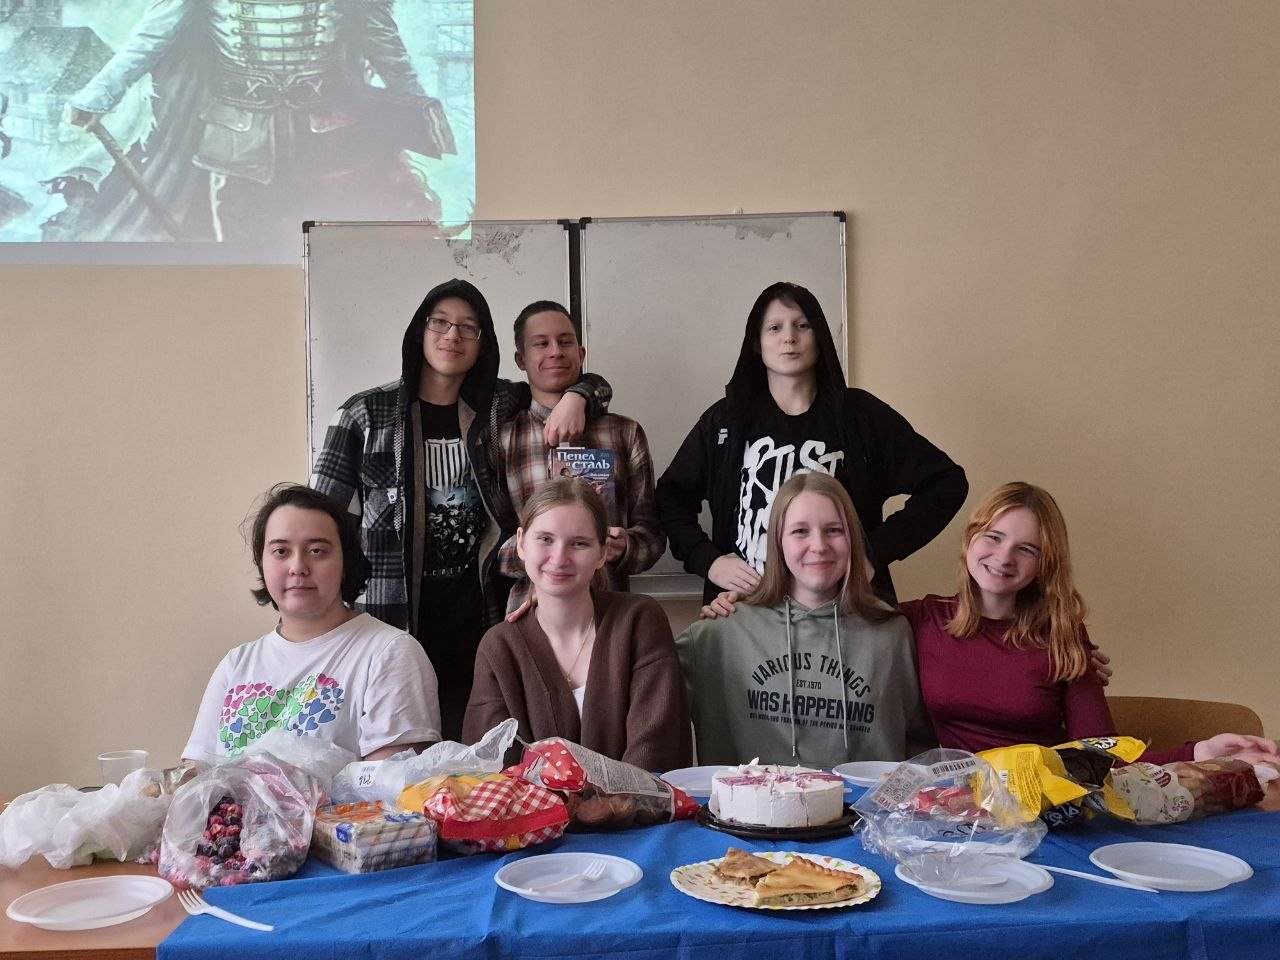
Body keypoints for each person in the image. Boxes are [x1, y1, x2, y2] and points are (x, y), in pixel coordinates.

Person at [310, 279, 611, 742]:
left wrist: (578, 396)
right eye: (441, 323)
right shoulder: (366, 414)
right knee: (396, 754)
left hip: (480, 616)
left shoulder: (497, 407)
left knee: (477, 752)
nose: (453, 335)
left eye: (468, 328)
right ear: (420, 330)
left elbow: (582, 381)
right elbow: (319, 526)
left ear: (482, 343)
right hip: (391, 618)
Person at [901, 482, 1279, 764]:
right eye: (994, 537)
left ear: (1044, 565)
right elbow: (860, 619)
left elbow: (1100, 755)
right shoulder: (923, 618)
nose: (1004, 557)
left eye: (1026, 549)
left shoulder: (1062, 634)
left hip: (1048, 807)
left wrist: (1201, 752)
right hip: (955, 805)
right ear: (970, 539)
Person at [656, 280, 967, 606]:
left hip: (847, 609)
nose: (789, 337)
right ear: (757, 343)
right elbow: (671, 496)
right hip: (747, 609)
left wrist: (874, 553)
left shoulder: (861, 416)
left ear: (820, 336)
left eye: (803, 325)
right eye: (774, 328)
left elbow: (947, 482)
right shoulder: (725, 421)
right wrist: (707, 560)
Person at [57, 1, 455, 244]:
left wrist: (415, 109)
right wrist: (96, 96)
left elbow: (385, 46)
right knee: (241, 244)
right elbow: (150, 39)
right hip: (238, 140)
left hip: (330, 140)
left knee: (332, 247)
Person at [676, 472, 933, 768]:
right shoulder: (721, 630)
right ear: (778, 541)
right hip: (750, 799)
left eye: (834, 530)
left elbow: (922, 750)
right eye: (800, 531)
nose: (819, 545)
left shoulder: (894, 633)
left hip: (867, 799)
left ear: (853, 539)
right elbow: (642, 694)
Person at [183, 484, 440, 763]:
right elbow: (196, 774)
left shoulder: (390, 653)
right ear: (262, 563)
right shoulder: (236, 664)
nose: (298, 567)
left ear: (346, 562)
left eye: (317, 551)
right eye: (281, 551)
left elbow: (390, 782)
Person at [463, 479, 691, 771]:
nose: (559, 559)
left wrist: (603, 800)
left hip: (637, 803)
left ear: (602, 553)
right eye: (545, 539)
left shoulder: (639, 621)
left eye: (579, 543)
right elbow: (490, 767)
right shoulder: (498, 647)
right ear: (521, 543)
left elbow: (656, 750)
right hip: (531, 804)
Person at [495, 300, 665, 614]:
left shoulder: (625, 433)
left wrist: (623, 546)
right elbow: (490, 549)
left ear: (581, 353)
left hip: (610, 615)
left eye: (565, 342)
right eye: (541, 344)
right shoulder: (503, 441)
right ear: (521, 359)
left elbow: (652, 536)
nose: (555, 352)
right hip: (529, 614)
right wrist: (540, 549)